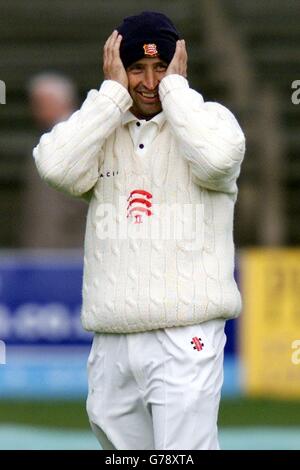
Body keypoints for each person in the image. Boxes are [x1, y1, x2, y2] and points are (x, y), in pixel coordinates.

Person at [33, 11, 245, 450]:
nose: (150, 82)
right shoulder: (103, 130)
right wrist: (110, 97)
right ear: (116, 69)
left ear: (179, 66)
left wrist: (177, 91)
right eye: (136, 69)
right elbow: (54, 167)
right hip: (112, 335)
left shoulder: (212, 121)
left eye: (161, 68)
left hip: (186, 331)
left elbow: (218, 161)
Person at [21, 72, 87, 248]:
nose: (34, 110)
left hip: (70, 250)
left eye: (39, 103)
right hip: (44, 249)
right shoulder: (44, 139)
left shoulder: (80, 138)